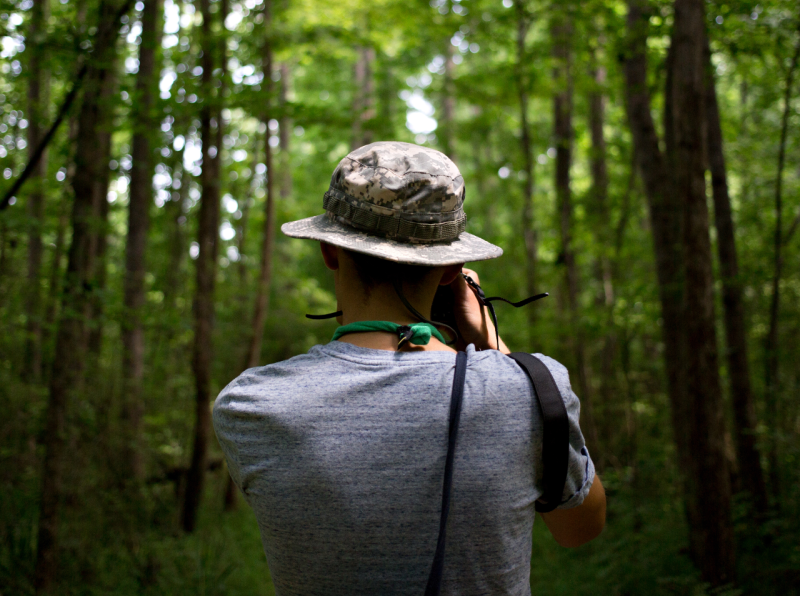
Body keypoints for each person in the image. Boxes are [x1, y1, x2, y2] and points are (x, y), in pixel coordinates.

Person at [213, 141, 606, 596]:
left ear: (328, 250)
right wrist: (489, 339)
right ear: (451, 268)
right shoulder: (530, 390)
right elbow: (581, 528)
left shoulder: (251, 405)